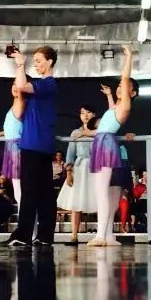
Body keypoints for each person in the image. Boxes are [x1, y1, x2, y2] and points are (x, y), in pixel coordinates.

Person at [4, 45, 58, 247]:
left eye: (38, 61)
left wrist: (20, 65)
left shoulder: (48, 83)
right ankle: (44, 236)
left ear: (49, 62)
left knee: (30, 192)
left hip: (34, 144)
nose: (35, 64)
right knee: (44, 192)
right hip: (40, 144)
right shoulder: (42, 85)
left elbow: (21, 87)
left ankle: (23, 235)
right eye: (34, 61)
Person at [84, 47, 137, 247]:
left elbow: (125, 78)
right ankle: (107, 236)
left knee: (101, 191)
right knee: (103, 192)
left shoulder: (125, 106)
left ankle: (100, 236)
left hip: (105, 143)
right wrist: (108, 95)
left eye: (125, 86)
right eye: (120, 86)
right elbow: (110, 110)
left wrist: (129, 57)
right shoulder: (116, 107)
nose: (120, 87)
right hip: (103, 142)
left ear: (132, 93)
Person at [56, 104, 98, 244]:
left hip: (96, 167)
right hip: (80, 167)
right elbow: (70, 152)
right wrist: (69, 172)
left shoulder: (99, 131)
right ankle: (74, 235)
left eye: (88, 112)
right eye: (82, 113)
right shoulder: (75, 132)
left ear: (94, 114)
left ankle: (101, 235)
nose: (85, 115)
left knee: (99, 200)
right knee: (76, 202)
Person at [0, 84, 26, 207]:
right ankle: (23, 212)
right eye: (14, 84)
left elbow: (19, 128)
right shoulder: (15, 104)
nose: (15, 87)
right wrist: (0, 133)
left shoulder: (22, 103)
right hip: (11, 145)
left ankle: (24, 213)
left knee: (18, 183)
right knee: (16, 183)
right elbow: (13, 127)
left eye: (18, 84)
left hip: (17, 146)